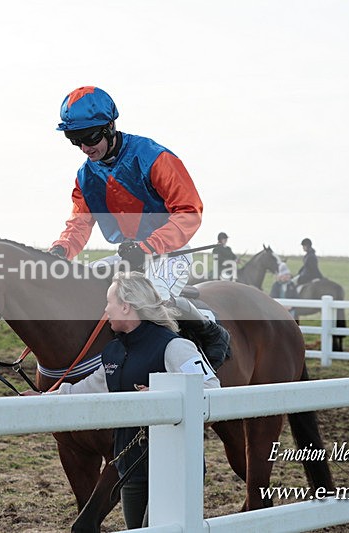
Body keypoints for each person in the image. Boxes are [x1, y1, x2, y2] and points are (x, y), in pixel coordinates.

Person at [48, 85, 229, 368]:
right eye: (75, 140)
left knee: (147, 302)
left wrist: (149, 246)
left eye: (89, 137)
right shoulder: (85, 175)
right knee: (82, 286)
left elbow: (189, 211)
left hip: (170, 251)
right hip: (129, 253)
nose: (84, 147)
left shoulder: (154, 157)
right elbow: (79, 223)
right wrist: (61, 250)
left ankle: (209, 329)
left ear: (110, 126)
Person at [22, 272, 220, 529]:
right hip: (130, 468)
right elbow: (86, 389)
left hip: (174, 470)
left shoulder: (176, 347)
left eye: (109, 302)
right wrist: (44, 399)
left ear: (126, 306)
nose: (105, 309)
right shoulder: (114, 352)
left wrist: (164, 399)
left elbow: (212, 389)